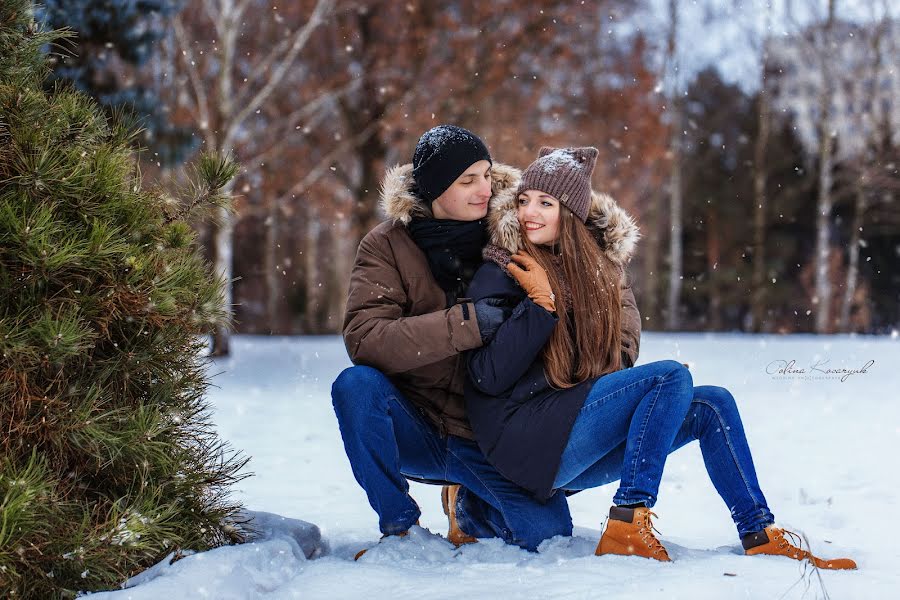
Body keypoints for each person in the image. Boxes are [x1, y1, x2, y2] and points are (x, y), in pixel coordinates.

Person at [463, 145, 857, 569]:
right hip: (520, 438)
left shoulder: (592, 276)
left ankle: (758, 531)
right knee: (668, 376)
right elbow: (486, 376)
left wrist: (647, 390)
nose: (529, 212)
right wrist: (539, 304)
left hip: (565, 428)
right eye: (524, 201)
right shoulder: (501, 270)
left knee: (711, 403)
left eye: (545, 203)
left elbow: (599, 366)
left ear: (572, 215)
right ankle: (629, 521)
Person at [332, 126, 573, 557]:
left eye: (486, 175)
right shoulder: (386, 245)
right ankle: (399, 526)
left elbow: (586, 262)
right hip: (415, 424)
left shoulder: (509, 234)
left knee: (548, 535)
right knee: (356, 386)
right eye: (467, 181)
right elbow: (365, 339)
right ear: (435, 188)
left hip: (486, 435)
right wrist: (469, 323)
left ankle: (468, 504)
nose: (484, 189)